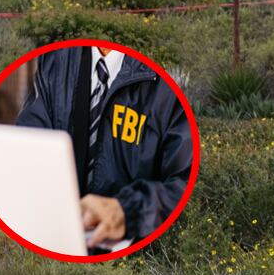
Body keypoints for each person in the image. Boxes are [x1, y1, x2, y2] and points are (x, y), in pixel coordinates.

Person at [16, 45, 193, 250]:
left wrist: (128, 211)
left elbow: (182, 181)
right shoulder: (54, 61)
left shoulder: (165, 87)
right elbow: (29, 144)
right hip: (56, 238)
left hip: (132, 249)